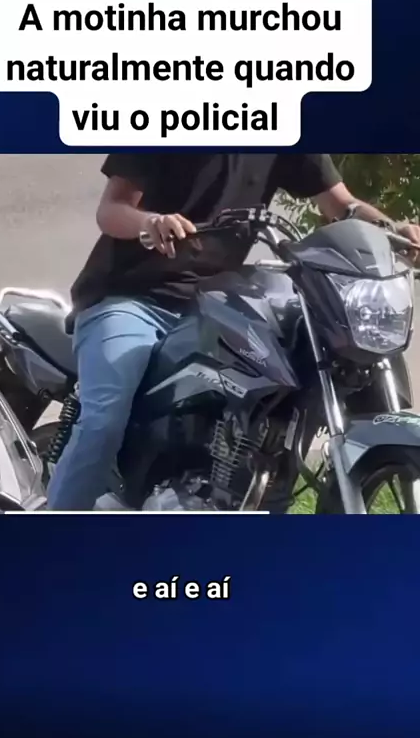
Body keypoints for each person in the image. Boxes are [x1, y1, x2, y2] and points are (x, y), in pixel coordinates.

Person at [47, 154, 420, 510]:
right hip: (130, 298)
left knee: (292, 370)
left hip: (214, 300)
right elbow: (111, 209)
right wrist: (151, 222)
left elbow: (341, 204)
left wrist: (392, 231)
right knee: (104, 420)